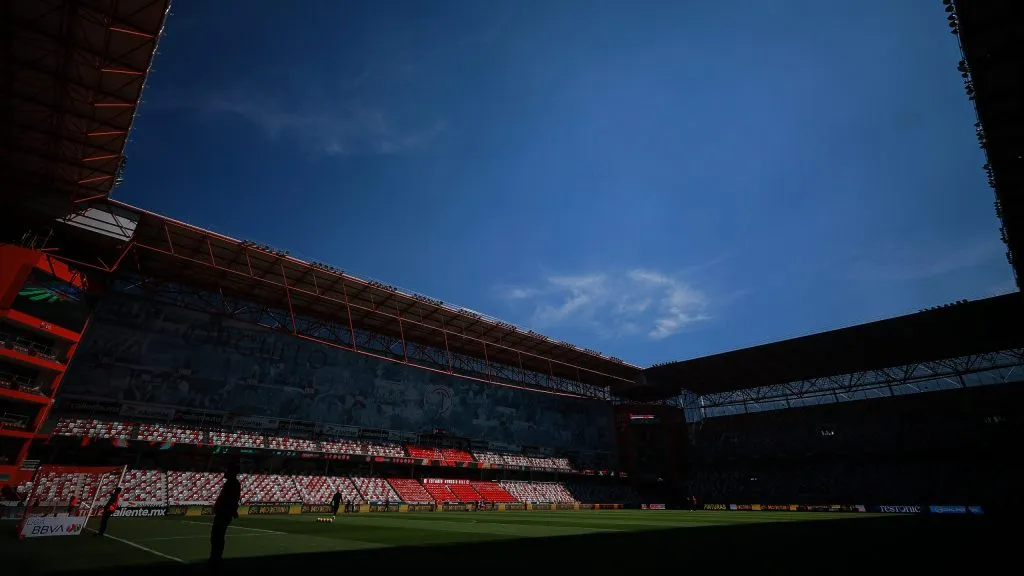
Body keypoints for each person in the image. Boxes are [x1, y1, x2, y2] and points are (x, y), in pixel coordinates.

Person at [209, 464, 241, 567]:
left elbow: (232, 499)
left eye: (227, 470)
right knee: (217, 535)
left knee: (217, 535)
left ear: (232, 472)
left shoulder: (233, 483)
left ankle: (216, 557)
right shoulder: (231, 483)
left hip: (224, 513)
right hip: (223, 512)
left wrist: (230, 510)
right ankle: (215, 556)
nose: (225, 472)